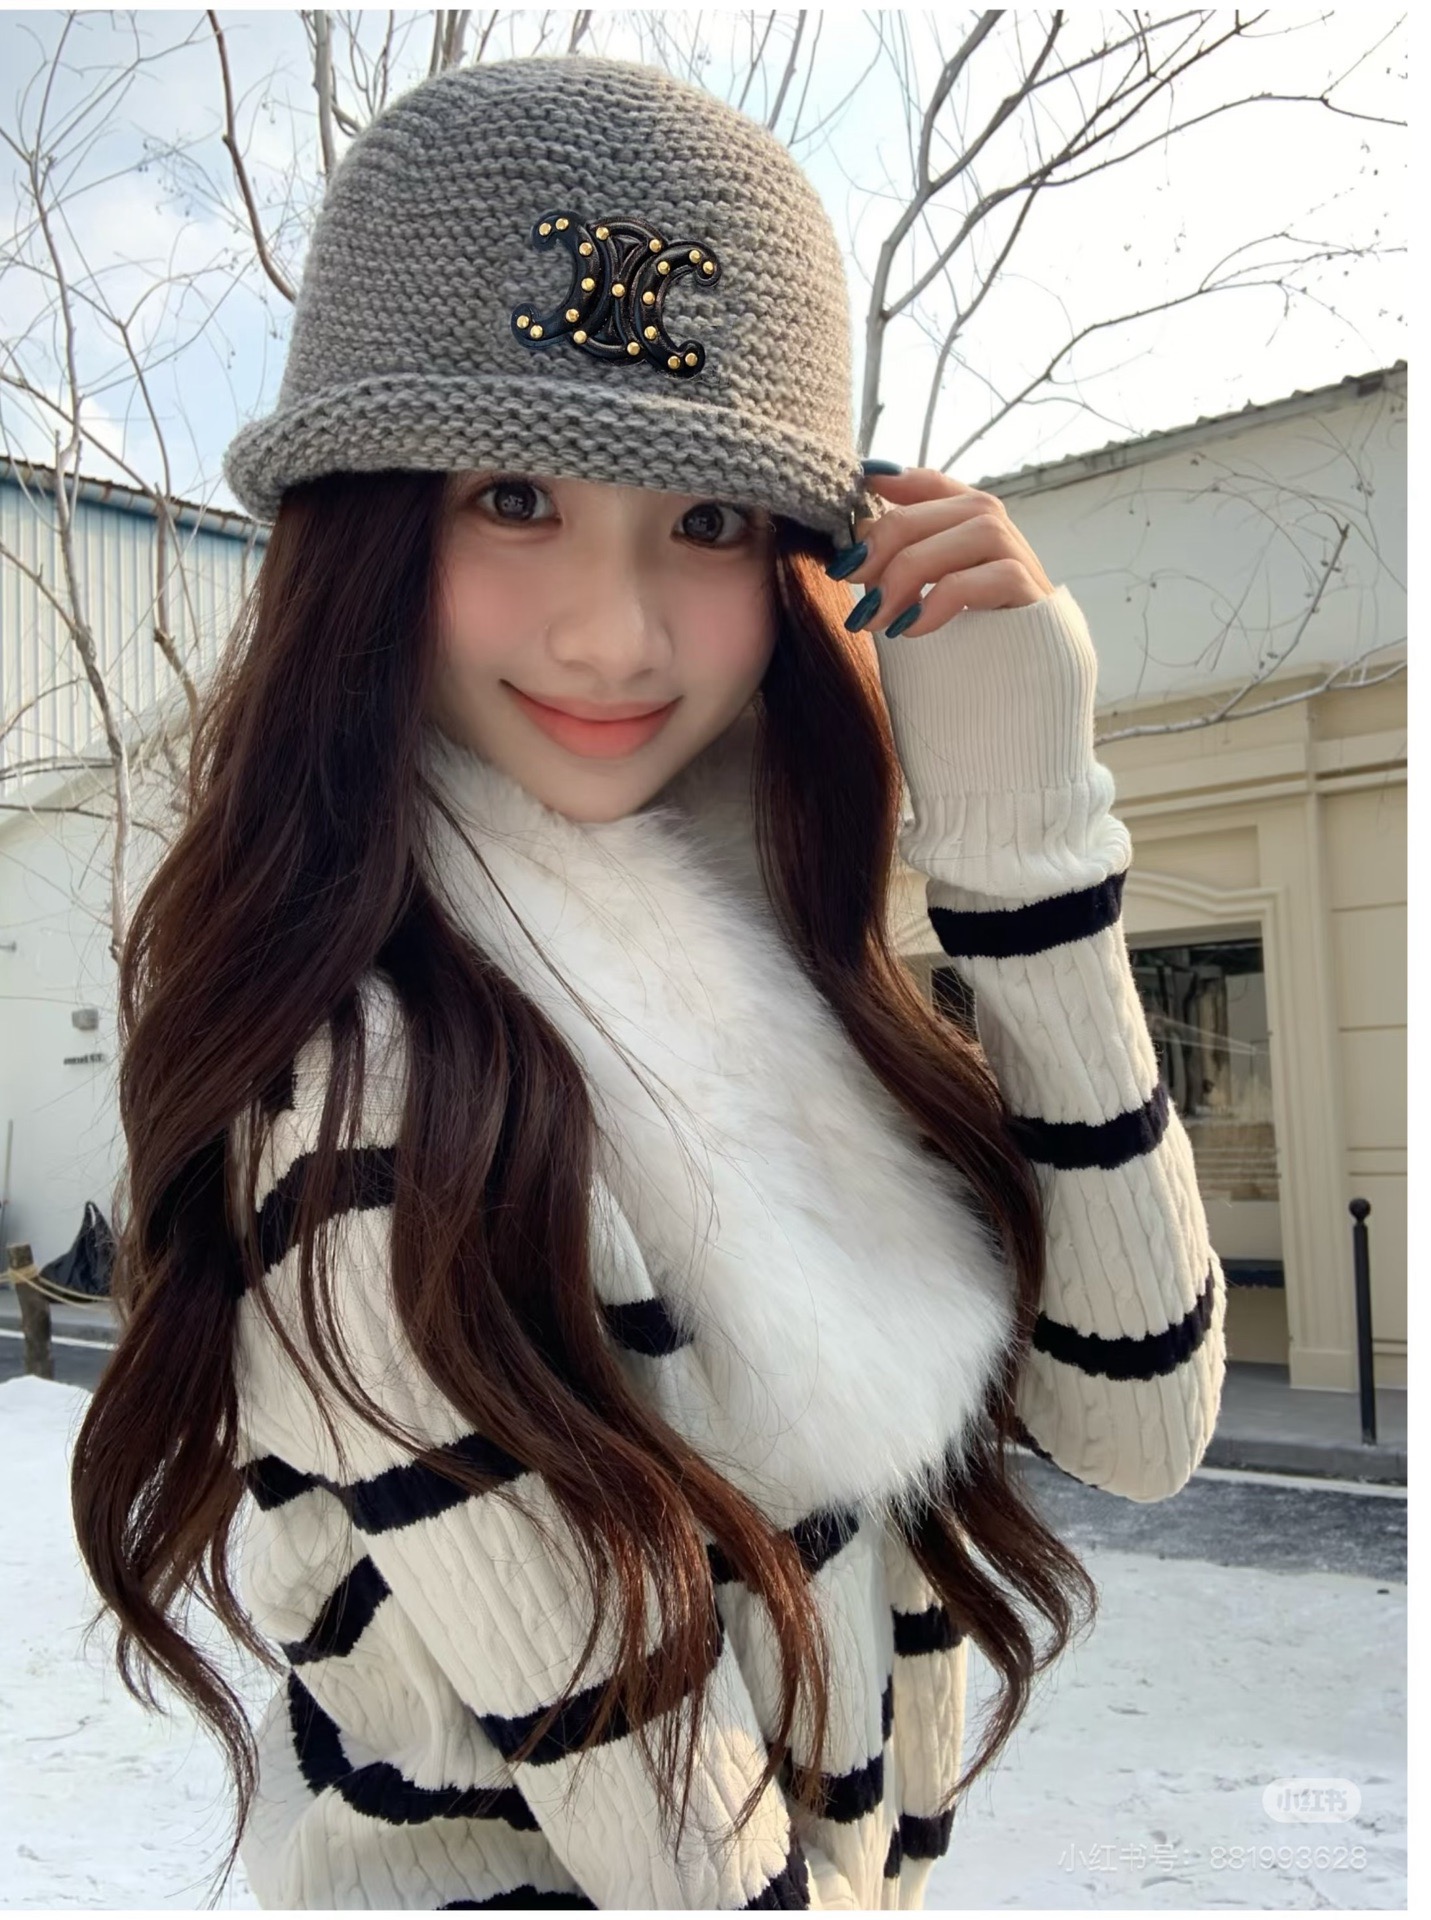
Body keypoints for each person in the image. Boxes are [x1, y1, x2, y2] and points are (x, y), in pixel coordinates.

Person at [71, 53, 1226, 1912]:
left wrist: (1024, 841)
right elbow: (680, 1845)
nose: (613, 635)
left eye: (706, 522)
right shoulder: (376, 1085)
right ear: (365, 530)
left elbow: (1141, 1420)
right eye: (513, 494)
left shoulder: (783, 988)